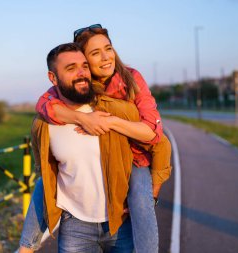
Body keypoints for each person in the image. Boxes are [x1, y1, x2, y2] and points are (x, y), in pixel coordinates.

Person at [20, 25, 172, 253]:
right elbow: (44, 104)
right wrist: (80, 118)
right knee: (45, 181)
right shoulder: (49, 115)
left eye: (108, 49)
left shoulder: (127, 88)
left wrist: (109, 122)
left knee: (142, 199)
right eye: (93, 54)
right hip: (75, 225)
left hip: (128, 192)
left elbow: (156, 136)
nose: (104, 58)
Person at [28, 42, 142, 252]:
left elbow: (157, 146)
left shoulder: (116, 110)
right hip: (74, 225)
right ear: (53, 78)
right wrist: (27, 244)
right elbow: (46, 178)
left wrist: (147, 198)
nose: (81, 73)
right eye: (71, 68)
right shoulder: (42, 126)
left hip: (121, 223)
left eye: (85, 66)